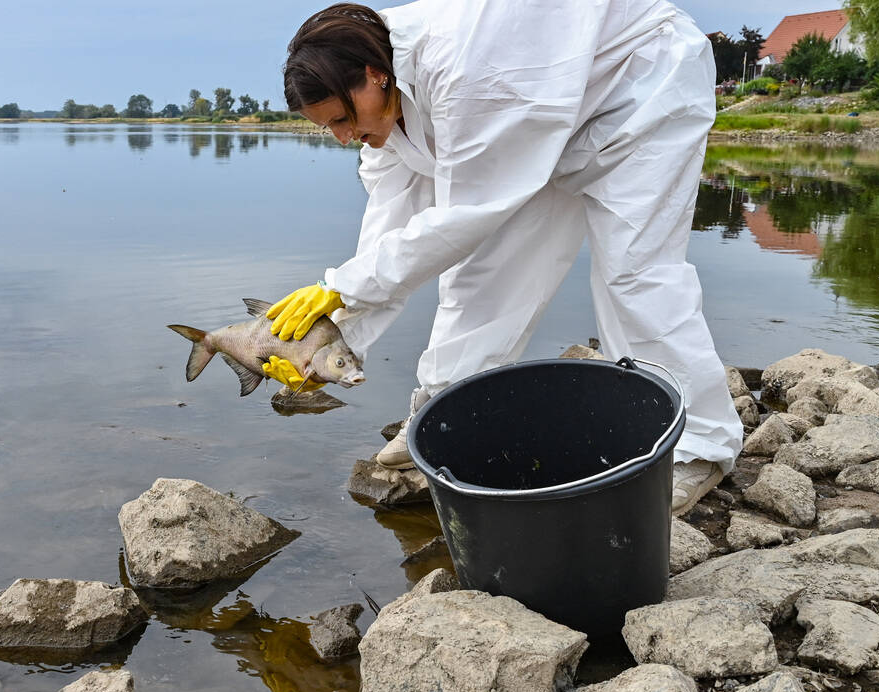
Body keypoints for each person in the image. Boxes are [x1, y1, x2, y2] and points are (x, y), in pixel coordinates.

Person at [260, 0, 742, 515]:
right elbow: (388, 235)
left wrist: (345, 286)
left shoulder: (464, 70)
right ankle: (441, 413)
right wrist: (335, 335)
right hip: (536, 109)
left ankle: (699, 446)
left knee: (635, 275)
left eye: (341, 118)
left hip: (638, 86)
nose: (340, 136)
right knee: (487, 276)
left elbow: (465, 216)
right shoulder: (384, 102)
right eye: (325, 127)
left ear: (375, 76)